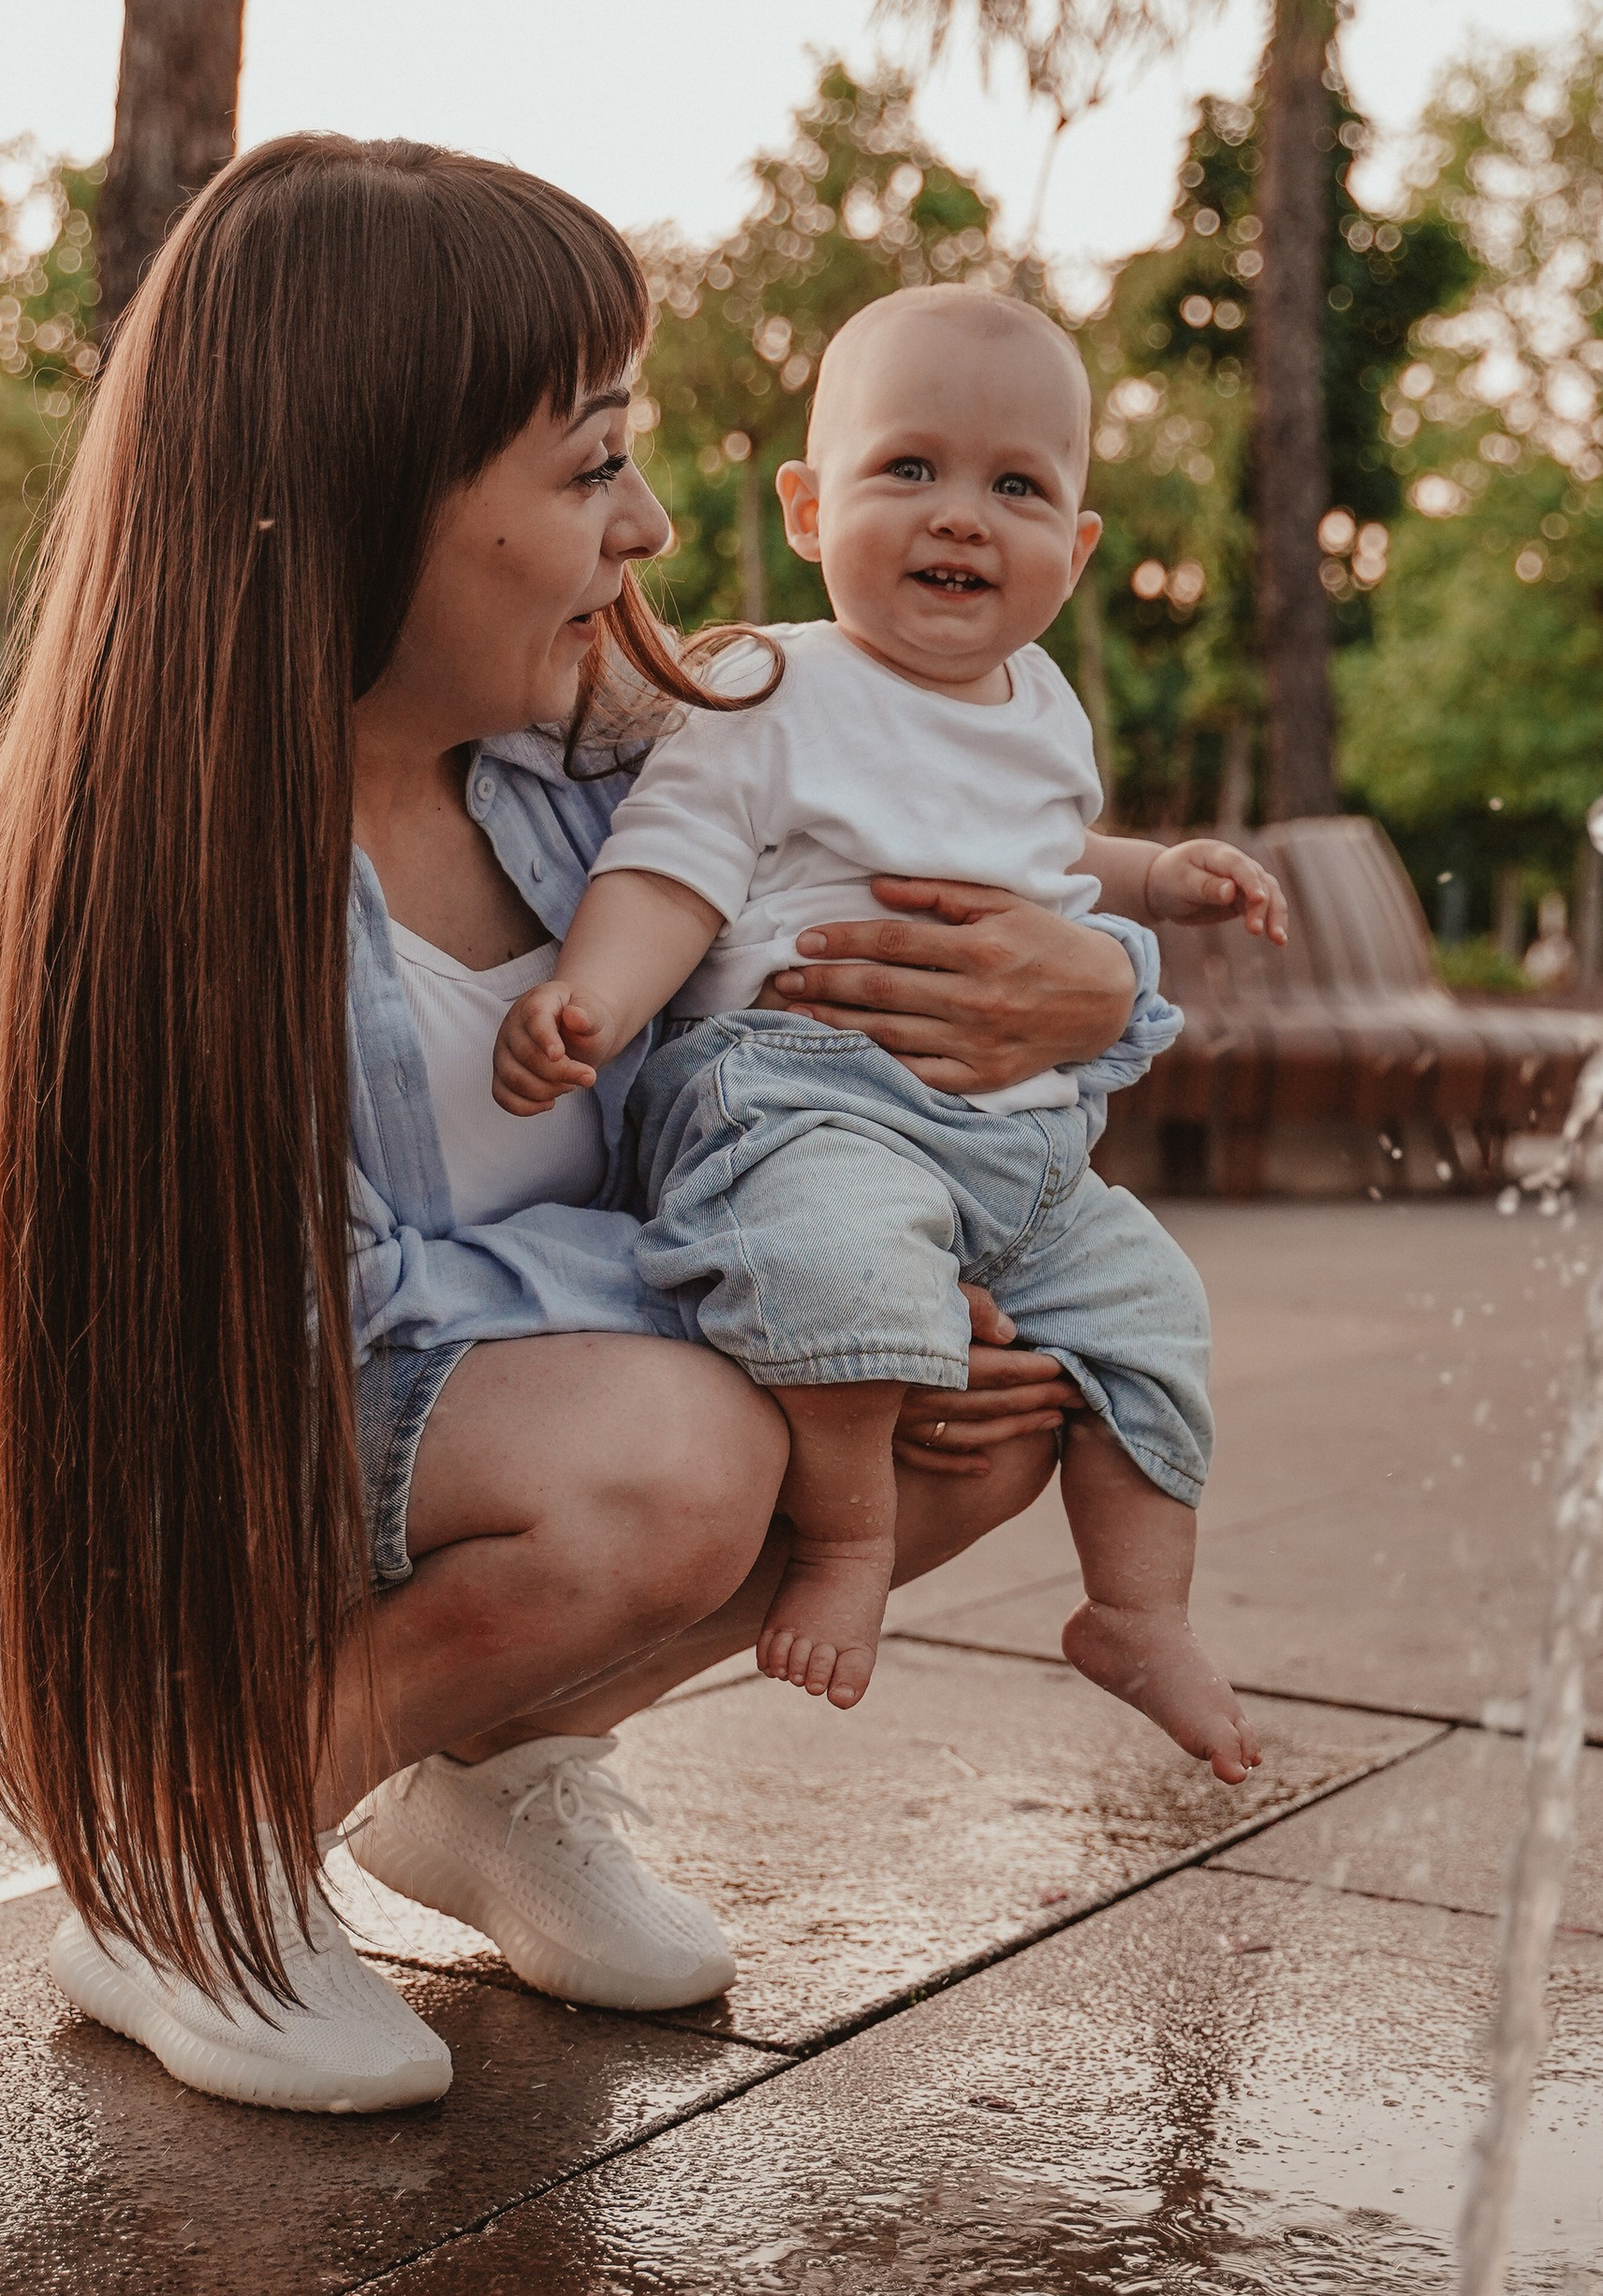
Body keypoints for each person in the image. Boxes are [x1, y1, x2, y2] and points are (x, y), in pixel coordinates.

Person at [0, 136, 1197, 2122]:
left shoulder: (584, 781)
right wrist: (712, 1338)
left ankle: (483, 1778)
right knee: (694, 1443)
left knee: (978, 1390)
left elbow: (927, 878)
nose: (650, 524)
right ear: (356, 497)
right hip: (169, 1510)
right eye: (588, 468)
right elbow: (260, 1353)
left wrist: (1100, 996)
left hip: (458, 1435)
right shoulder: (162, 897)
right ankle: (188, 1856)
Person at [493, 284, 1280, 1766]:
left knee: (1151, 1314)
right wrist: (591, 1003)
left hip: (1020, 1143)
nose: (962, 518)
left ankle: (1139, 1611)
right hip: (802, 1102)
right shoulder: (768, 687)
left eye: (1017, 487)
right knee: (843, 1268)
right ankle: (848, 1543)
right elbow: (671, 870)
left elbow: (1043, 856)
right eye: (908, 470)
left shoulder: (1040, 702)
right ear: (807, 506)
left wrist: (1157, 878)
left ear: (1078, 547)